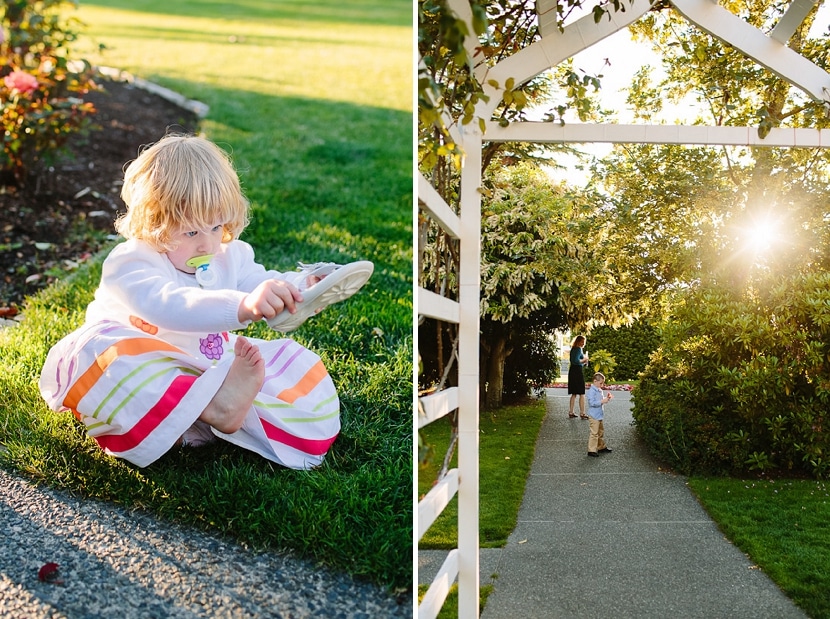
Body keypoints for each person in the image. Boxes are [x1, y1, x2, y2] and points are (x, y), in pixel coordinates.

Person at [39, 133, 372, 469]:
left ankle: (206, 414)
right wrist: (242, 307)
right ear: (154, 223)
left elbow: (258, 282)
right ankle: (206, 414)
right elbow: (169, 305)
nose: (208, 244)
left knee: (294, 364)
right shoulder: (131, 262)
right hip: (144, 370)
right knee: (96, 351)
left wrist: (298, 286)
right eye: (191, 232)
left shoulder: (228, 255)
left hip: (207, 368)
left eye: (216, 226)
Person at [586, 372, 613, 457]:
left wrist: (607, 399)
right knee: (594, 433)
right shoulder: (591, 391)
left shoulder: (599, 390)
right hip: (594, 415)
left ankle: (601, 446)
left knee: (600, 431)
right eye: (600, 383)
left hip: (599, 414)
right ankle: (591, 450)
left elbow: (601, 401)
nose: (602, 385)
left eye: (602, 383)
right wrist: (602, 401)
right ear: (595, 381)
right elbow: (592, 403)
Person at [567, 335, 589, 419]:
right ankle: (582, 413)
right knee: (581, 392)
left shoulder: (573, 349)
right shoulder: (578, 349)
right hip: (577, 372)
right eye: (582, 341)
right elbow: (576, 361)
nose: (583, 343)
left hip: (573, 371)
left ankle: (571, 411)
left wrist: (583, 361)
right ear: (578, 341)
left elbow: (576, 361)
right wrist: (585, 359)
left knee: (574, 393)